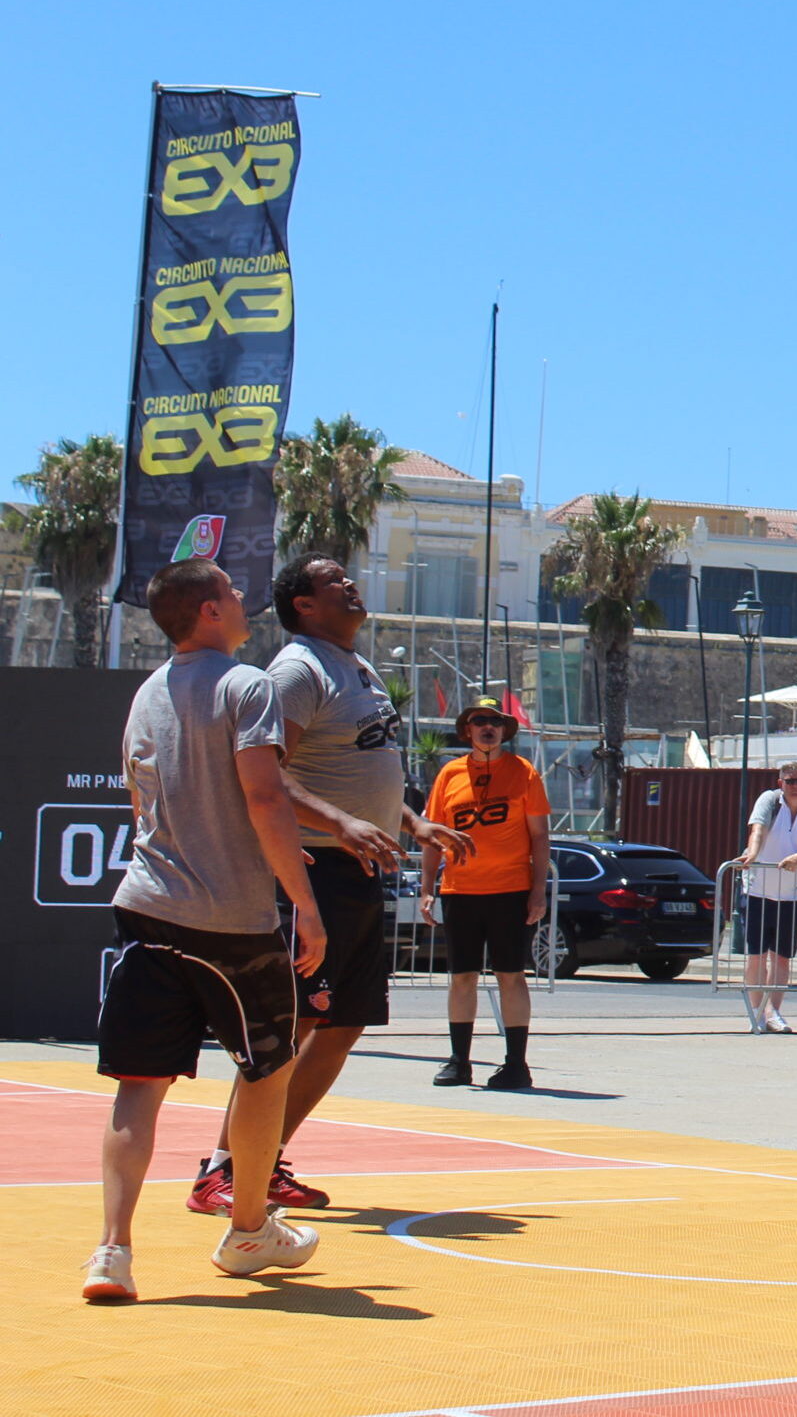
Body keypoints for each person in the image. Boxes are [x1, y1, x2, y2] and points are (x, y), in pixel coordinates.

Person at [190, 554, 475, 1218]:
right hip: (311, 869)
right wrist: (343, 822)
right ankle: (221, 1169)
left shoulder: (358, 666)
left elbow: (359, 766)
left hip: (361, 870)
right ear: (304, 605)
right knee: (291, 1025)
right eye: (333, 581)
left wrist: (412, 821)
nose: (351, 584)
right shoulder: (296, 670)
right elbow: (266, 773)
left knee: (343, 1024)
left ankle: (265, 1158)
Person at [86, 560, 327, 1301]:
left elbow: (140, 802)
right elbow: (263, 795)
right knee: (267, 1067)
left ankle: (113, 1251)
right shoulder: (244, 685)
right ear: (208, 611)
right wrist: (305, 901)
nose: (242, 596)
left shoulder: (148, 692)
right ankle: (249, 1227)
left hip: (148, 905)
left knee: (139, 1082)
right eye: (228, 588)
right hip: (230, 918)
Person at [423, 698, 551, 1088]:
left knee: (510, 975)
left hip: (509, 890)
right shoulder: (449, 774)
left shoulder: (523, 772)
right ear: (467, 731)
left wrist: (538, 891)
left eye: (494, 721)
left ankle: (516, 1064)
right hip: (460, 890)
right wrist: (428, 889)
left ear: (503, 730)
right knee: (462, 977)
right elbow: (432, 836)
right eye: (479, 721)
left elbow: (540, 835)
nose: (487, 727)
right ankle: (459, 1061)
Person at [734, 760, 797, 1033]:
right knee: (756, 955)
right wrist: (752, 854)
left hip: (790, 895)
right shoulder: (769, 801)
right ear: (780, 783)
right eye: (790, 781)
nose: (795, 786)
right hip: (757, 891)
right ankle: (757, 1013)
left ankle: (773, 1011)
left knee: (782, 957)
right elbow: (758, 829)